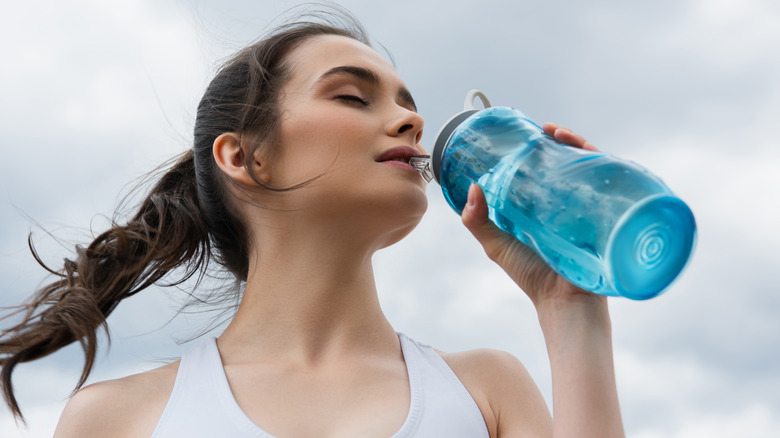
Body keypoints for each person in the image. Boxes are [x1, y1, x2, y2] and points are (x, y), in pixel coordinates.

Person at [1, 10, 624, 438]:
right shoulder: (117, 420)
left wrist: (570, 308)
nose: (412, 123)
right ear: (244, 156)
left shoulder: (486, 389)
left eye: (410, 105)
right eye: (353, 97)